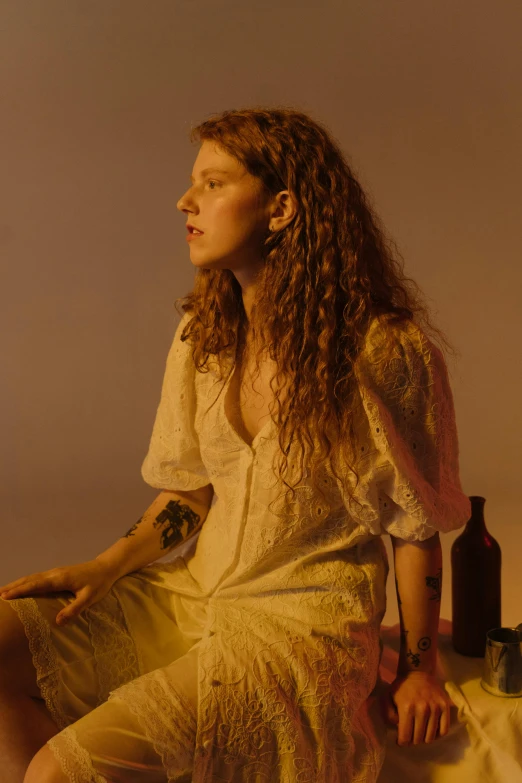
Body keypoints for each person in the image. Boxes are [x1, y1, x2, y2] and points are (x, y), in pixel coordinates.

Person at [0, 106, 470, 783]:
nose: (185, 201)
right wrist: (107, 564)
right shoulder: (207, 337)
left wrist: (420, 670)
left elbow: (415, 528)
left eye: (214, 184)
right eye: (194, 183)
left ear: (281, 208)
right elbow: (191, 493)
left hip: (297, 631)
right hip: (193, 596)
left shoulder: (385, 350)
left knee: (58, 772)